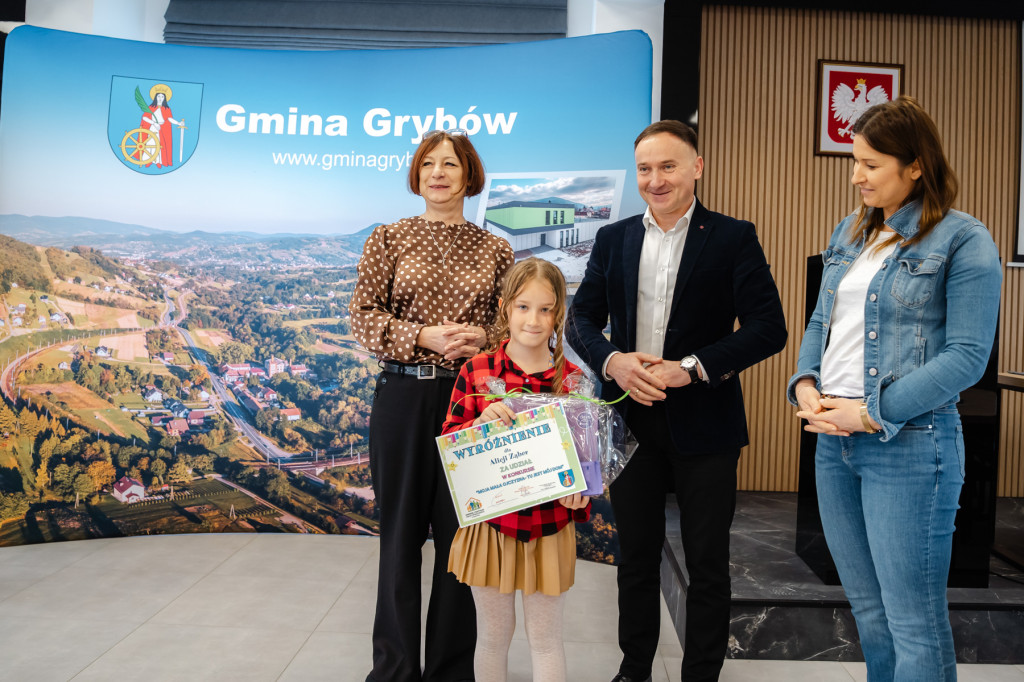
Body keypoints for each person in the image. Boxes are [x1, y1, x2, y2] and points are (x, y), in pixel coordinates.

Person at [788, 96, 1001, 681]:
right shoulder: (852, 231)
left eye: (871, 164)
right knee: (869, 611)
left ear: (916, 166)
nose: (856, 175)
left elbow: (967, 358)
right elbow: (821, 321)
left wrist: (870, 414)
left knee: (912, 620)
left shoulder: (963, 239)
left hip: (911, 445)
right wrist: (805, 381)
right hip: (834, 442)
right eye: (854, 161)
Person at [567, 120, 787, 682]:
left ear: (697, 167)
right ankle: (634, 669)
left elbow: (768, 328)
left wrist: (691, 369)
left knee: (707, 563)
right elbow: (581, 318)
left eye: (668, 166)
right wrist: (612, 361)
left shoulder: (733, 237)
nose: (656, 179)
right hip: (630, 420)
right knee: (636, 558)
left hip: (707, 423)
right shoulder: (613, 238)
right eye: (645, 168)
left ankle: (701, 676)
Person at [350, 129, 515, 682]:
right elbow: (363, 318)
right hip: (402, 396)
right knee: (398, 540)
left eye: (450, 164)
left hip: (472, 400)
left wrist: (484, 338)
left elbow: (510, 325)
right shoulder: (388, 237)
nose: (438, 173)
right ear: (416, 175)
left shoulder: (497, 249)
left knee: (460, 541)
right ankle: (394, 671)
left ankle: (450, 671)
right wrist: (423, 336)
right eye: (428, 164)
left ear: (470, 176)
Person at [442, 257, 591, 682]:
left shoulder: (573, 381)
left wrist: (581, 491)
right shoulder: (476, 372)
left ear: (558, 314)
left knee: (546, 640)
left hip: (550, 526)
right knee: (492, 637)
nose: (533, 320)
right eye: (523, 307)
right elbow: (451, 440)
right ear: (505, 307)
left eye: (545, 309)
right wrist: (478, 425)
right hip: (490, 526)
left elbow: (586, 463)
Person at [138, 84, 183, 168]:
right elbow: (144, 117)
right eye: (158, 96)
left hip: (162, 129)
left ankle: (158, 161)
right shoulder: (151, 107)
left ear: (164, 98)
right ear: (155, 97)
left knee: (160, 145)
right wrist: (154, 123)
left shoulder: (166, 109)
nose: (160, 98)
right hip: (153, 128)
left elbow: (169, 119)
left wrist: (178, 123)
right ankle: (149, 160)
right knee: (150, 143)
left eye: (162, 96)